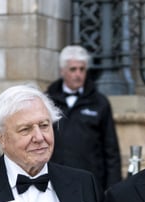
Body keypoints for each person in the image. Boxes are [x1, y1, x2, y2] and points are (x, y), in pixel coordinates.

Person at [46, 45, 122, 190]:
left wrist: (113, 188)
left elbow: (111, 151)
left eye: (82, 69)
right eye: (73, 69)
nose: (78, 74)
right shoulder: (47, 101)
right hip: (54, 181)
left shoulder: (100, 102)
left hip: (89, 183)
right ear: (62, 71)